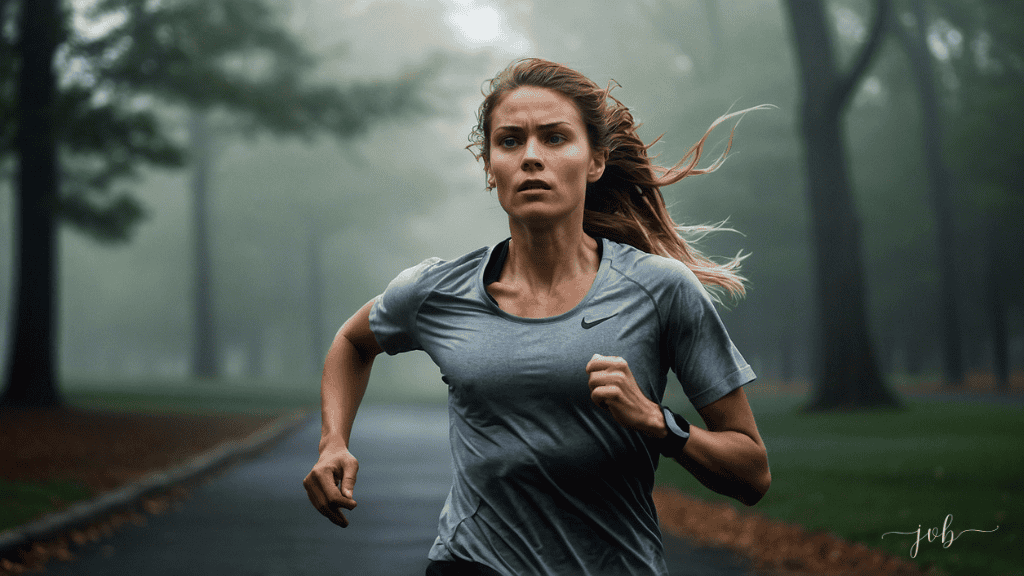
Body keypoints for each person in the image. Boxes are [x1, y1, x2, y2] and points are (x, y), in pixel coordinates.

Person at [303, 58, 771, 576]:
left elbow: (751, 473)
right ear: (489, 169)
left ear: (595, 161)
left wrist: (658, 423)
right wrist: (332, 443)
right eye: (509, 141)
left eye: (554, 138)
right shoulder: (437, 290)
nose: (530, 157)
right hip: (473, 564)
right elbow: (352, 342)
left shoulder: (660, 290)